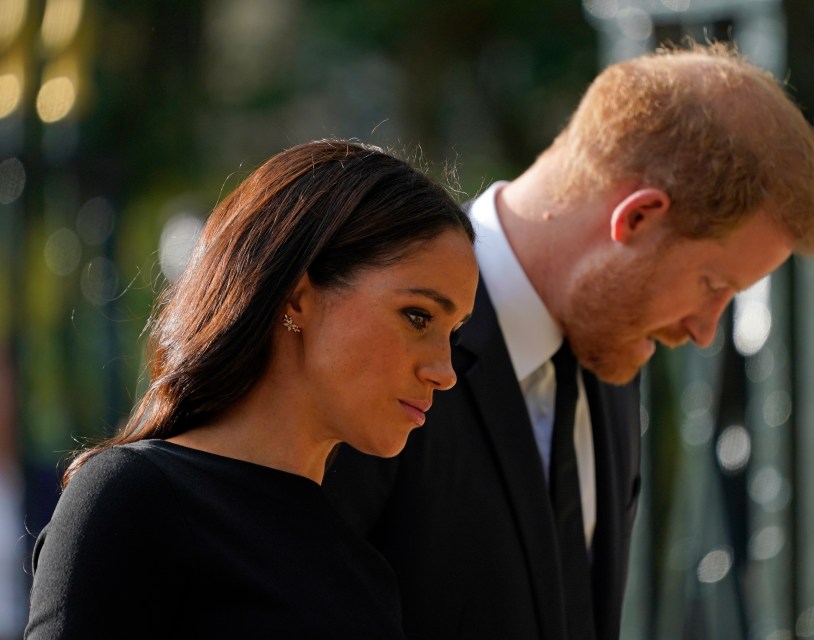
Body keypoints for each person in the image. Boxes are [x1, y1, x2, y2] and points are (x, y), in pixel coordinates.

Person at [323, 42, 814, 640]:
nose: (704, 331)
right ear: (638, 218)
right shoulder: (366, 343)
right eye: (712, 285)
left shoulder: (611, 344)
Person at [25, 140, 479, 638]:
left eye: (453, 335)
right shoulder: (131, 502)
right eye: (418, 317)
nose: (445, 370)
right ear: (298, 296)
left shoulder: (364, 574)